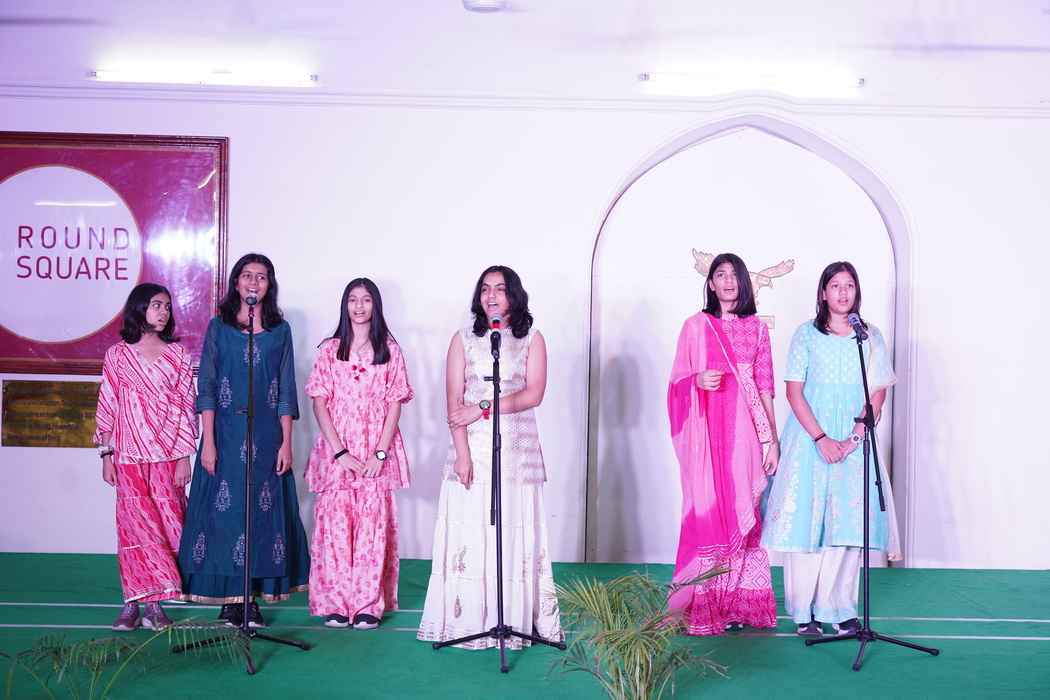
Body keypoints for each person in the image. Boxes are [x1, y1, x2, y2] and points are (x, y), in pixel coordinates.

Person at [417, 265, 563, 649]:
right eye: (485, 289)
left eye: (499, 289)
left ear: (514, 295)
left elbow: (533, 394)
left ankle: (513, 618)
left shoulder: (532, 339)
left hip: (517, 452)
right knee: (473, 530)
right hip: (472, 450)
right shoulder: (462, 340)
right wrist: (462, 454)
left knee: (511, 534)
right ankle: (469, 621)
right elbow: (454, 403)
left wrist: (483, 407)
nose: (491, 296)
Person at [761, 261, 901, 638]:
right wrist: (821, 439)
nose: (842, 292)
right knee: (809, 524)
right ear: (823, 292)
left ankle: (840, 608)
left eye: (849, 285)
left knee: (848, 524)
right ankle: (804, 612)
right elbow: (794, 392)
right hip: (810, 439)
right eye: (835, 285)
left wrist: (854, 437)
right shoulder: (806, 334)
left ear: (857, 291)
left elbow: (878, 391)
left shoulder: (869, 336)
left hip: (855, 440)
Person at [177, 253, 310, 628]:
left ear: (270, 285)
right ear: (236, 282)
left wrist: (286, 443)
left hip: (266, 438)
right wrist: (208, 441)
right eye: (247, 275)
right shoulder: (218, 327)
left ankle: (251, 599)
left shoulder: (280, 331)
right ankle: (229, 600)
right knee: (224, 516)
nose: (254, 282)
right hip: (224, 434)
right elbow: (207, 386)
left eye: (262, 277)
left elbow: (286, 389)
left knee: (261, 517)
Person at [666, 253, 779, 636]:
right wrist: (696, 381)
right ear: (711, 283)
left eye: (734, 275)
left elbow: (765, 389)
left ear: (744, 282)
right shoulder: (695, 327)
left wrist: (772, 441)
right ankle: (706, 602)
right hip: (710, 436)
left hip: (749, 434)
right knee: (712, 511)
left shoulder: (758, 330)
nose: (728, 281)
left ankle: (738, 604)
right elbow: (676, 383)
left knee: (747, 515)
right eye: (720, 274)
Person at [304, 278, 413, 630]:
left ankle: (367, 605)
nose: (359, 306)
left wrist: (379, 454)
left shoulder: (390, 351)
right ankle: (336, 603)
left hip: (374, 450)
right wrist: (340, 453)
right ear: (345, 305)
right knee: (334, 529)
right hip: (336, 452)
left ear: (375, 305)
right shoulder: (329, 350)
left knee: (371, 529)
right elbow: (319, 403)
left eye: (366, 300)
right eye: (353, 299)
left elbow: (395, 404)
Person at [95, 283, 198, 631]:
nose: (163, 312)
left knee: (167, 528)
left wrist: (184, 457)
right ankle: (132, 605)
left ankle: (155, 606)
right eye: (156, 305)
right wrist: (106, 454)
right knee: (134, 530)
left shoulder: (178, 355)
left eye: (167, 306)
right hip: (128, 455)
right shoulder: (117, 355)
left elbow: (186, 408)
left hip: (167, 455)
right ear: (139, 308)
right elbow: (108, 405)